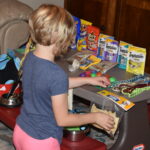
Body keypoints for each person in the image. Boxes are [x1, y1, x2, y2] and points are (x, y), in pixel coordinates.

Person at [13, 4, 115, 150]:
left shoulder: (30, 57)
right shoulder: (56, 74)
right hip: (41, 141)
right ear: (59, 38)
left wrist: (88, 80)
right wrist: (95, 117)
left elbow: (51, 85)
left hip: (21, 131)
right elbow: (63, 119)